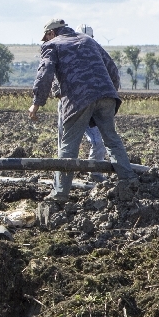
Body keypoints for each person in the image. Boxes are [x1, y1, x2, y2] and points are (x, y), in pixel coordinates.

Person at [28, 18, 134, 200]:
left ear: (51, 33)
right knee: (112, 140)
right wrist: (109, 91)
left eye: (46, 37)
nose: (45, 41)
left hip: (79, 99)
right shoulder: (88, 40)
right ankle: (131, 183)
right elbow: (112, 68)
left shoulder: (52, 45)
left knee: (69, 146)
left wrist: (36, 103)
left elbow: (45, 73)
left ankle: (59, 194)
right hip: (106, 94)